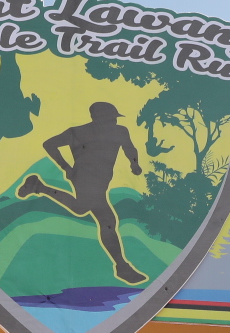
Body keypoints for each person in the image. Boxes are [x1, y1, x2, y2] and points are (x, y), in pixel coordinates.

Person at [17, 102, 149, 284]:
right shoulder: (78, 132)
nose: (113, 121)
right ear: (100, 117)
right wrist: (65, 167)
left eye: (114, 119)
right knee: (101, 218)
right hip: (84, 177)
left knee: (99, 216)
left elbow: (130, 148)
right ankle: (122, 267)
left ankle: (39, 186)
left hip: (101, 179)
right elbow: (49, 144)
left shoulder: (119, 131)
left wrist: (134, 163)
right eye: (111, 118)